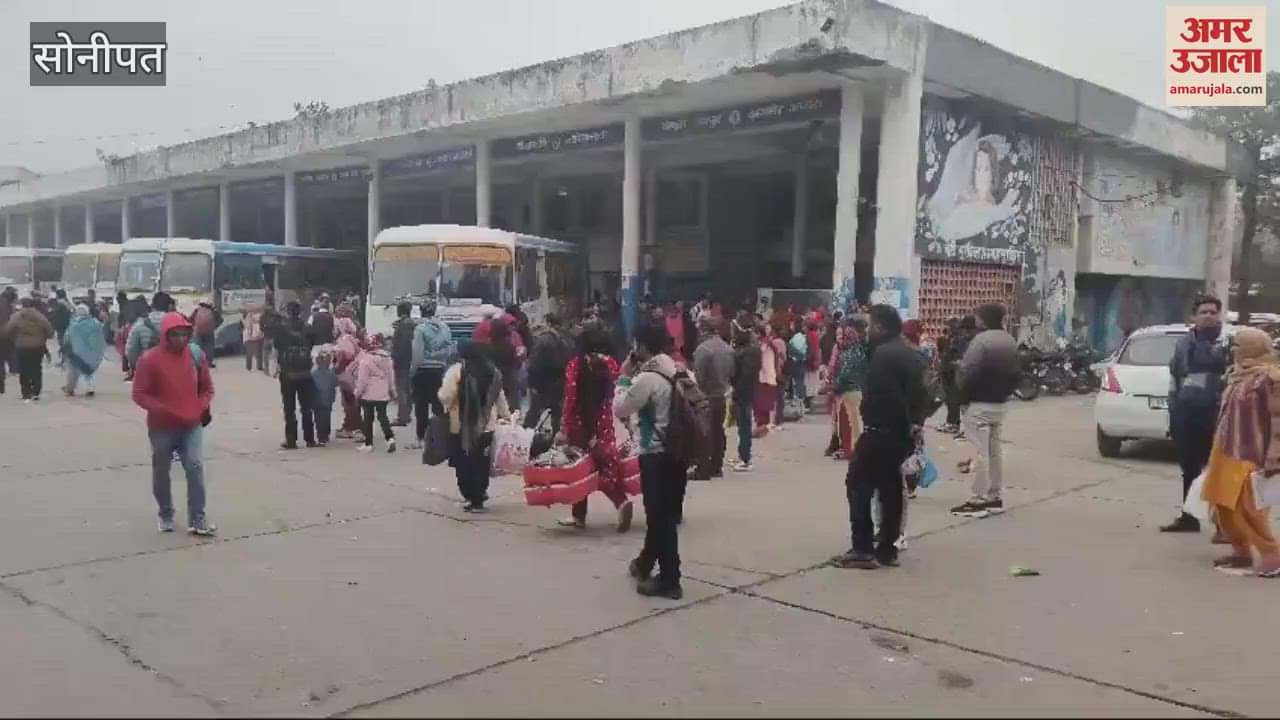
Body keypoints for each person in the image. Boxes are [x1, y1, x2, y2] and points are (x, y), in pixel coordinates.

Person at [831, 304, 927, 569]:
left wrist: (885, 420)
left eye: (871, 325)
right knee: (891, 489)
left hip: (881, 431)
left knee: (858, 484)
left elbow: (886, 397)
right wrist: (915, 423)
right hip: (902, 434)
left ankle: (862, 549)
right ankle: (887, 548)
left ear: (881, 327)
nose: (867, 331)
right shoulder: (911, 354)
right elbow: (925, 393)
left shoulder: (884, 356)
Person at [1199, 328, 1280, 576]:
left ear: (1254, 346)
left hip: (1251, 451)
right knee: (1222, 501)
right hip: (1226, 449)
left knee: (1248, 504)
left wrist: (1274, 454)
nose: (1233, 350)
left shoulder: (1270, 378)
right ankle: (1240, 551)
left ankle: (1272, 555)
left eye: (1238, 345)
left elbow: (1277, 419)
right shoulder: (1237, 375)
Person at [614, 324, 685, 599]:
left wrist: (623, 378)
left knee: (659, 517)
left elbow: (621, 408)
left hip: (654, 454)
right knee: (663, 514)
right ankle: (645, 562)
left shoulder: (647, 379)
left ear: (642, 347)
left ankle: (670, 579)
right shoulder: (680, 370)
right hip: (677, 450)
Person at [131, 312, 216, 536]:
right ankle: (166, 513)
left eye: (184, 335)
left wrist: (200, 406)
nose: (180, 340)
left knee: (195, 467)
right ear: (165, 336)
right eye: (175, 335)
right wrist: (163, 408)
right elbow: (139, 393)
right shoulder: (150, 359)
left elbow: (207, 388)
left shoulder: (195, 355)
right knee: (161, 470)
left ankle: (198, 518)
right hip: (162, 427)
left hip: (191, 424)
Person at [1163, 294, 1229, 533]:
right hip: (1187, 412)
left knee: (1219, 469)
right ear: (1194, 316)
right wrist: (1173, 413)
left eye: (1213, 312)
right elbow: (1175, 377)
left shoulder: (1227, 341)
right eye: (1204, 312)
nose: (1209, 316)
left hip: (1218, 413)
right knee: (1189, 468)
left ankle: (1224, 524)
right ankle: (1188, 517)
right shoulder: (1183, 343)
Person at [556, 326, 634, 530]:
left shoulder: (577, 364)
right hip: (604, 421)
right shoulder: (610, 363)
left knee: (580, 468)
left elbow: (571, 397)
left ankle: (580, 515)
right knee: (604, 464)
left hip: (581, 424)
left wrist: (564, 426)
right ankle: (620, 501)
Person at [951, 303, 1020, 517]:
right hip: (1001, 402)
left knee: (978, 451)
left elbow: (967, 371)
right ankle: (995, 496)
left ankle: (977, 499)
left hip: (979, 402)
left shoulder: (981, 341)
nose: (975, 319)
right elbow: (1017, 371)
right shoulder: (1009, 340)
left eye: (977, 316)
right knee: (994, 451)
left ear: (983, 319)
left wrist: (960, 395)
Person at [439, 342, 511, 512]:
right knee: (481, 461)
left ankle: (471, 495)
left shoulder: (457, 370)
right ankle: (480, 495)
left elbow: (446, 395)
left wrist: (447, 408)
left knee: (463, 461)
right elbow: (499, 397)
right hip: (487, 424)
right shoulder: (493, 371)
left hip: (461, 425)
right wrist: (506, 416)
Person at [692, 317, 734, 480]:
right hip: (721, 394)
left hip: (706, 396)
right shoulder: (727, 348)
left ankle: (703, 468)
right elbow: (731, 373)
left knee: (704, 433)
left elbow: (699, 376)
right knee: (718, 431)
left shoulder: (703, 350)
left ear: (703, 330)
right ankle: (717, 466)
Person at [410, 299, 455, 449]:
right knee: (439, 405)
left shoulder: (420, 329)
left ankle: (421, 438)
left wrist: (412, 371)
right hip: (440, 370)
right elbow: (450, 350)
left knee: (421, 406)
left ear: (421, 311)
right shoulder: (445, 328)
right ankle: (443, 437)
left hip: (423, 371)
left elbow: (417, 354)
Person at [274, 302, 317, 450]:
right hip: (305, 373)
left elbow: (277, 347)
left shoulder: (281, 329)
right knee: (306, 407)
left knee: (289, 408)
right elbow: (311, 344)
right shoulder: (307, 328)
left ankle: (291, 440)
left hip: (288, 374)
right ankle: (310, 439)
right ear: (299, 312)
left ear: (287, 311)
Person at [525, 313, 572, 435]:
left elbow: (534, 363)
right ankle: (556, 440)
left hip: (543, 384)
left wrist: (532, 384)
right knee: (558, 415)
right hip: (561, 382)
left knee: (534, 414)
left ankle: (525, 437)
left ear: (549, 323)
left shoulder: (543, 340)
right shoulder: (567, 339)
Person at [829, 319, 870, 461]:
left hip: (848, 392)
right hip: (860, 390)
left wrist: (834, 388)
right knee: (857, 423)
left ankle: (852, 451)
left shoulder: (847, 355)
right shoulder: (862, 353)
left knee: (849, 424)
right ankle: (857, 450)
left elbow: (844, 375)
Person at [354, 333, 397, 453]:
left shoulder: (365, 360)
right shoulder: (387, 358)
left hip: (369, 394)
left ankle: (368, 444)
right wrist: (393, 391)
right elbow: (391, 376)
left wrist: (357, 394)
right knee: (383, 417)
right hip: (383, 394)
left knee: (368, 418)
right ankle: (390, 439)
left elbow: (362, 381)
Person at [6, 297, 55, 402]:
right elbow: (49, 331)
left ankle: (26, 392)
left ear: (22, 305)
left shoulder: (16, 317)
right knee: (37, 368)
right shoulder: (40, 317)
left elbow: (9, 330)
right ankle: (36, 391)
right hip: (38, 346)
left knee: (23, 369)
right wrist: (43, 337)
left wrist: (15, 339)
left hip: (21, 347)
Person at [729, 323, 762, 472]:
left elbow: (741, 374)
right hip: (748, 391)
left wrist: (736, 388)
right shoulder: (754, 351)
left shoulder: (744, 353)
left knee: (744, 425)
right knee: (743, 425)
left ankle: (745, 457)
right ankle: (743, 454)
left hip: (743, 392)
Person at [126, 292, 174, 376]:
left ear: (152, 306)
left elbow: (131, 352)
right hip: (170, 373)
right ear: (170, 306)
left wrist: (138, 365)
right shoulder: (175, 324)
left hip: (146, 372)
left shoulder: (140, 324)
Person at [63, 304, 106, 397]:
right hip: (91, 351)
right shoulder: (95, 323)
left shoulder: (73, 324)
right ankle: (90, 388)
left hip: (76, 351)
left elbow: (67, 337)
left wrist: (65, 348)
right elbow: (100, 337)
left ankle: (70, 389)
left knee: (73, 370)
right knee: (89, 371)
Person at [333, 316, 363, 440]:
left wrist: (337, 366)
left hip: (347, 374)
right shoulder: (353, 339)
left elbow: (346, 355)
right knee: (351, 401)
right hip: (354, 374)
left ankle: (353, 428)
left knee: (349, 401)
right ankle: (350, 425)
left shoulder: (344, 339)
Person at [390, 302, 417, 427]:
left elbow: (402, 344)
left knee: (402, 389)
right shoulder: (410, 323)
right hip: (408, 360)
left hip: (402, 360)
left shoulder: (404, 325)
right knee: (407, 388)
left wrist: (395, 358)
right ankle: (407, 414)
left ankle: (402, 417)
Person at [936, 317, 964, 433]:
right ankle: (950, 422)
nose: (949, 327)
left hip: (952, 373)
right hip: (946, 371)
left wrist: (953, 364)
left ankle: (953, 423)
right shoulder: (950, 338)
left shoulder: (959, 339)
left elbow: (958, 357)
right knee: (949, 399)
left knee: (953, 399)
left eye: (951, 325)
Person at [755, 323, 782, 435]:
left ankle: (762, 426)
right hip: (769, 378)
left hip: (765, 378)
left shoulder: (765, 345)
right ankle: (763, 426)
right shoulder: (770, 345)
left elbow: (760, 357)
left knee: (762, 405)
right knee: (765, 405)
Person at [311, 346, 338, 446]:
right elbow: (336, 383)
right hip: (329, 399)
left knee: (318, 418)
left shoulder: (313, 374)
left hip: (316, 400)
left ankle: (321, 436)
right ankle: (326, 434)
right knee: (327, 417)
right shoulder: (331, 374)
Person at [190, 301, 219, 367]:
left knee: (197, 347)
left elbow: (190, 319)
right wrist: (213, 327)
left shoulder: (197, 310)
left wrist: (193, 326)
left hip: (198, 331)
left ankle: (197, 362)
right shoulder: (213, 311)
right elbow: (220, 320)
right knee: (209, 347)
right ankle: (208, 362)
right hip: (209, 331)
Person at [48, 289, 73, 366]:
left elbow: (56, 316)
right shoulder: (68, 302)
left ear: (57, 295)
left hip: (62, 327)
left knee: (62, 343)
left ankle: (64, 361)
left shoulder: (60, 303)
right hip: (68, 325)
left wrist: (53, 325)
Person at [0, 286, 16, 394]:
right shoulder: (8, 305)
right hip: (6, 334)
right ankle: (13, 369)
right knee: (7, 353)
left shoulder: (5, 304)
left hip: (4, 333)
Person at [241, 306, 266, 373]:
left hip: (258, 337)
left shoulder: (257, 317)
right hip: (250, 338)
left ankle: (258, 367)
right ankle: (249, 367)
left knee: (259, 353)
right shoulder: (246, 319)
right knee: (250, 354)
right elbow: (246, 326)